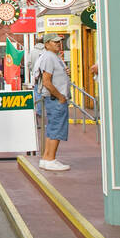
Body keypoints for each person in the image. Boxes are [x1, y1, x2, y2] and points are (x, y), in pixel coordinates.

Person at [34, 33, 72, 171]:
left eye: (59, 41)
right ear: (47, 44)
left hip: (55, 98)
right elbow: (46, 81)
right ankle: (50, 159)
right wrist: (60, 96)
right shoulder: (49, 57)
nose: (58, 43)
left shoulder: (53, 57)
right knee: (56, 128)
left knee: (52, 128)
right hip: (56, 99)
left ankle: (46, 158)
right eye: (54, 41)